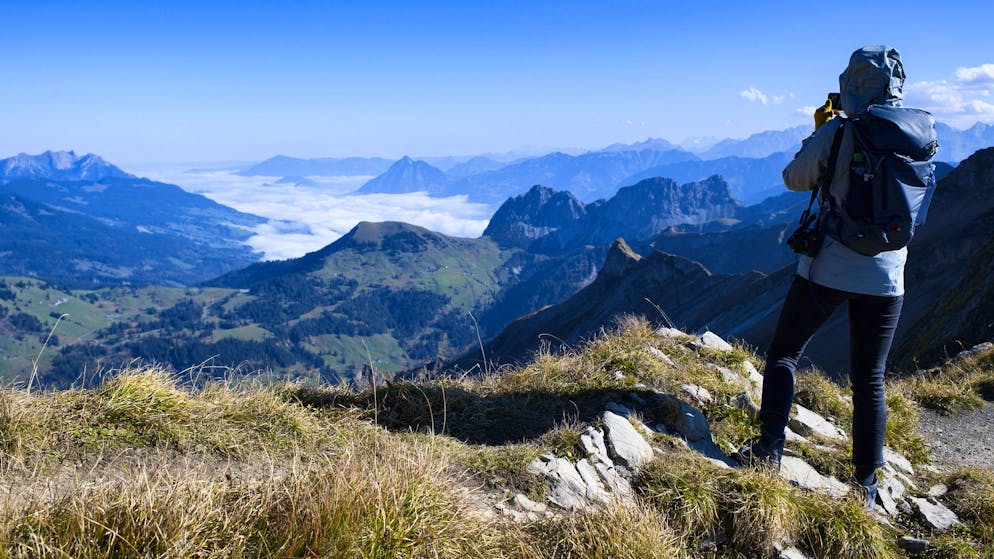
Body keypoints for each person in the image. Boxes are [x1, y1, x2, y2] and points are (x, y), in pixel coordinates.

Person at [736, 45, 935, 511]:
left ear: (852, 86)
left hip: (828, 268)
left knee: (785, 353)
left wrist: (821, 132)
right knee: (870, 378)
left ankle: (768, 449)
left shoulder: (840, 131)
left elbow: (794, 178)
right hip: (889, 277)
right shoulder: (921, 135)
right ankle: (865, 486)